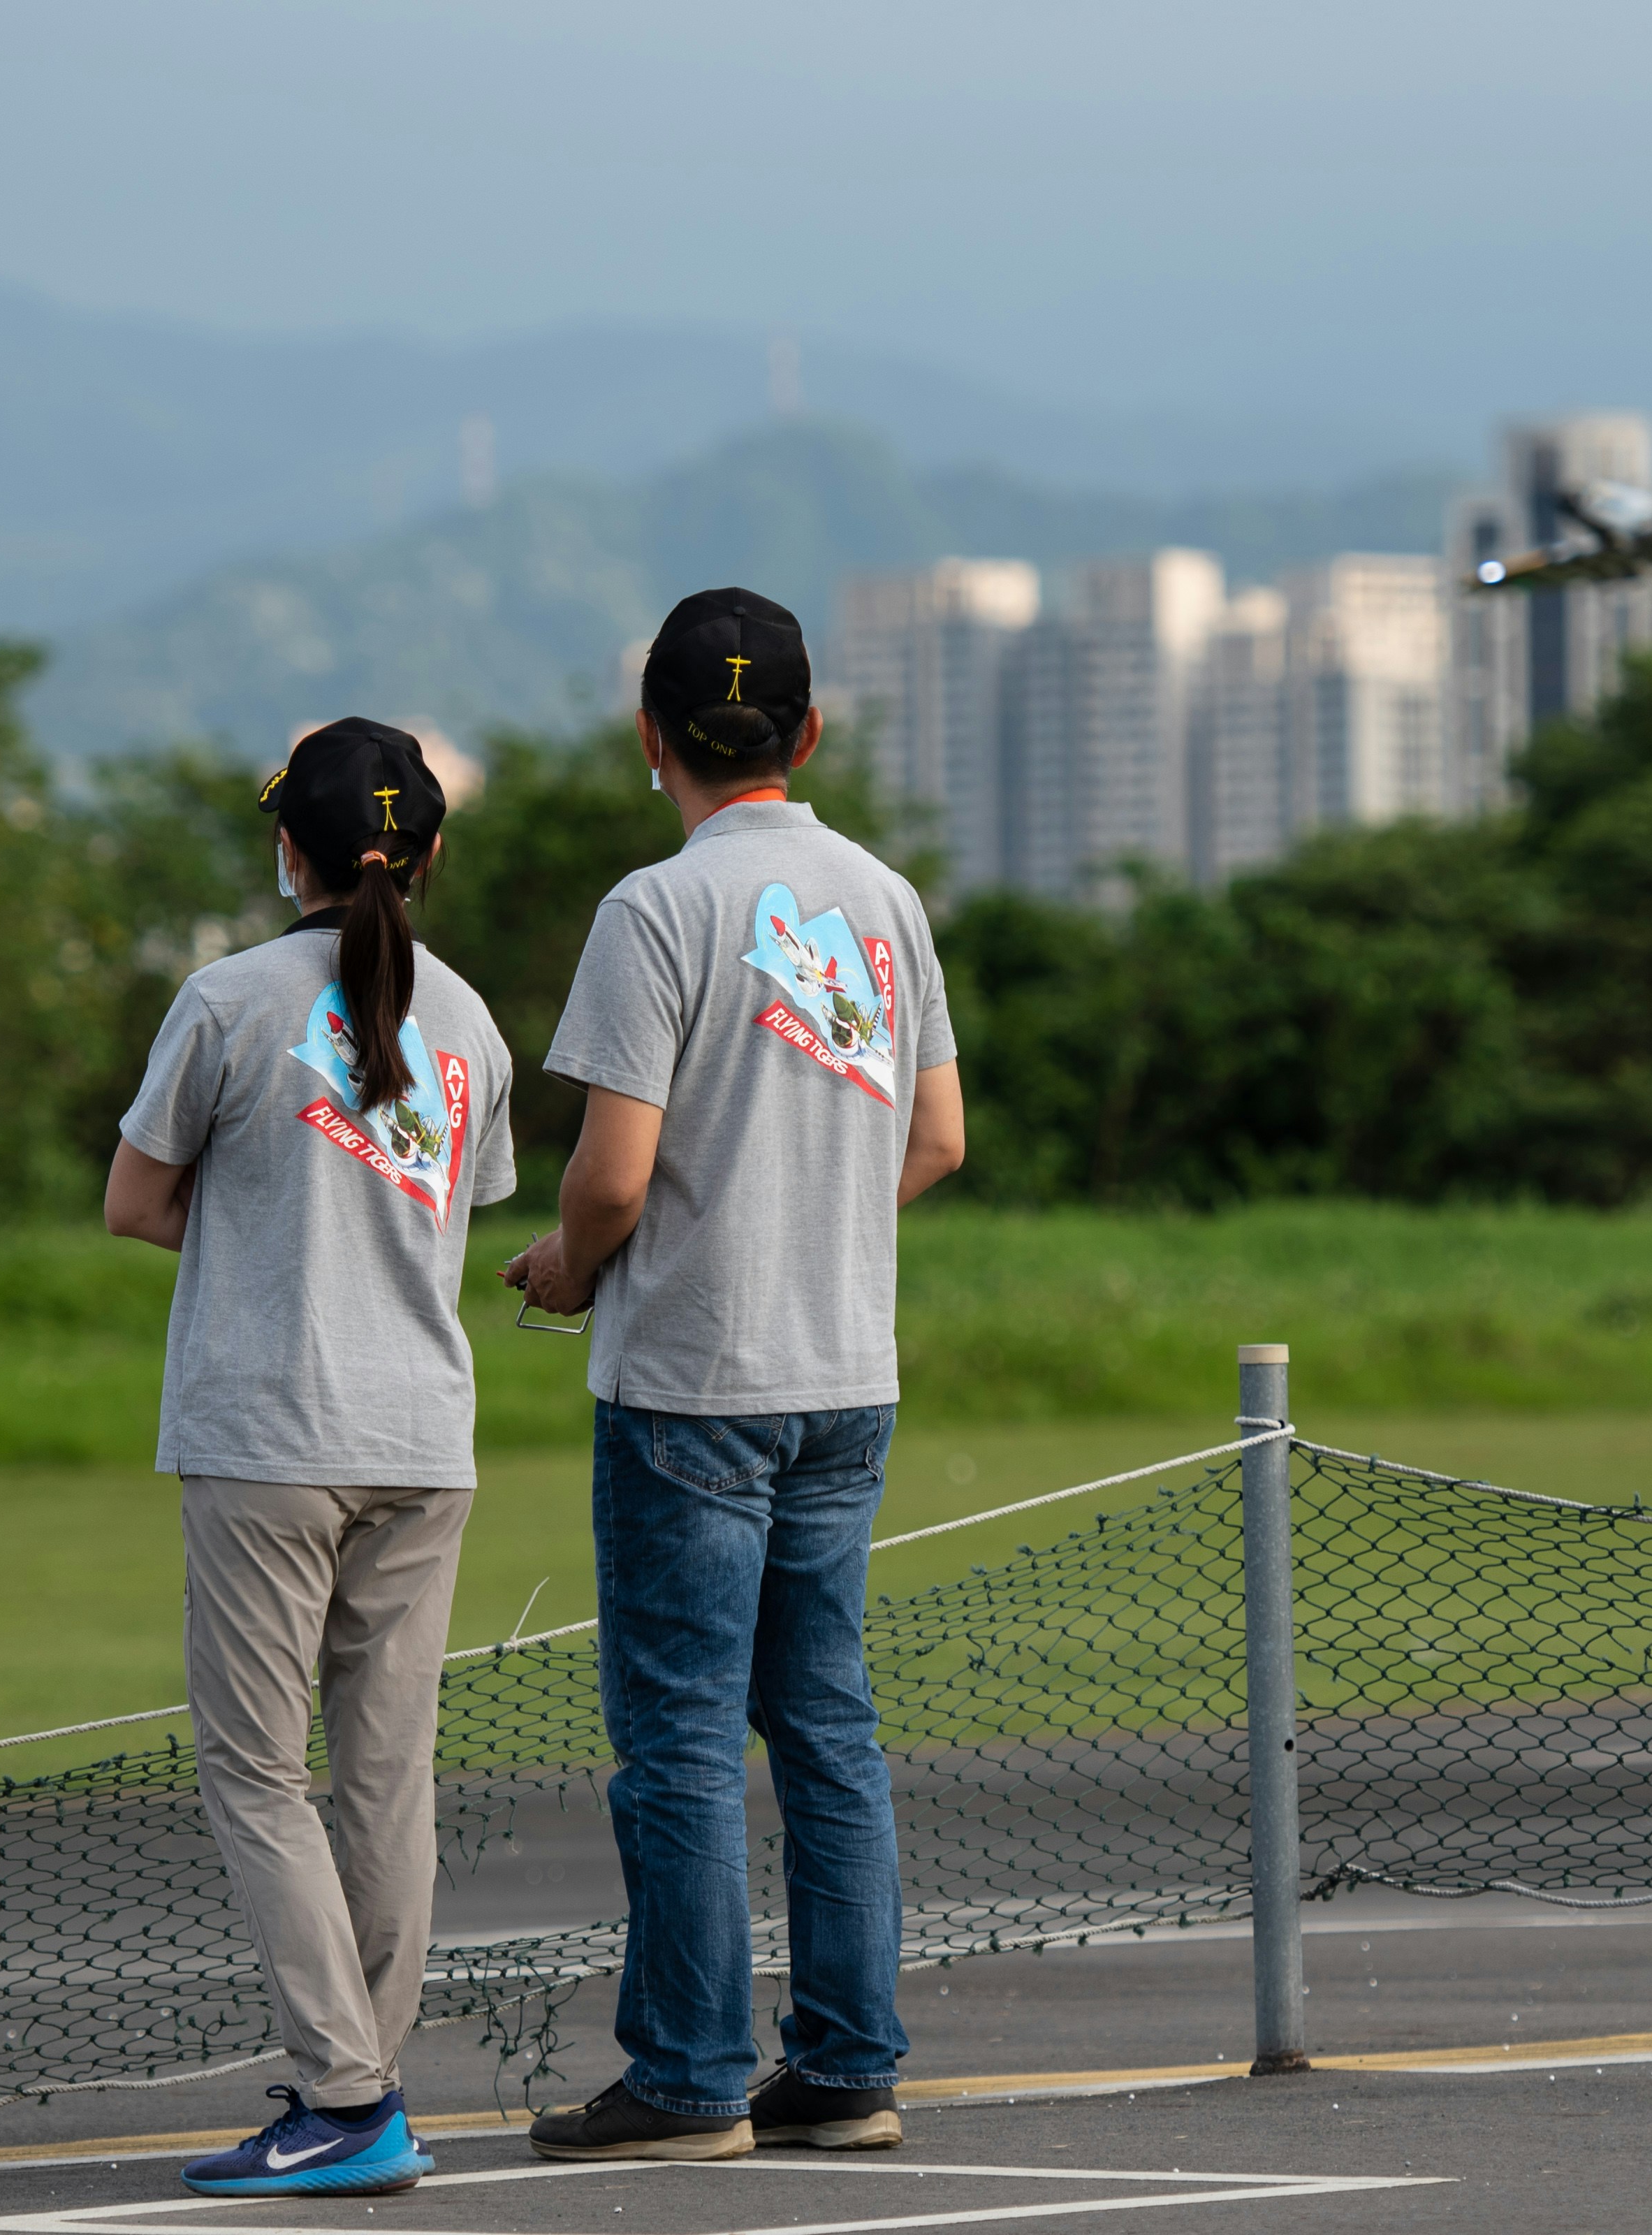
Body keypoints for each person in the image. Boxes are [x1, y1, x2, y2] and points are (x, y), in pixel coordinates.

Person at [502, 587, 964, 2162]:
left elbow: (613, 1176)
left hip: (693, 1376)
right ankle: (845, 2069)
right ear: (807, 734)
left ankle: (689, 2074)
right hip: (847, 1372)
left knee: (682, 1734)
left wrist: (568, 1267)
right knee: (824, 1721)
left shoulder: (656, 910)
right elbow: (940, 1135)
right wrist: (814, 1212)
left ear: (652, 740)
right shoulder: (885, 898)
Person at [103, 717, 517, 2201]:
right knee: (383, 1777)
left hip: (268, 1429)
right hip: (425, 1437)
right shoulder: (469, 1023)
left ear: (288, 849)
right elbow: (456, 1214)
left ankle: (344, 2094)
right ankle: (367, 2079)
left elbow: (136, 1204)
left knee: (256, 1769)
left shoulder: (224, 999)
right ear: (427, 851)